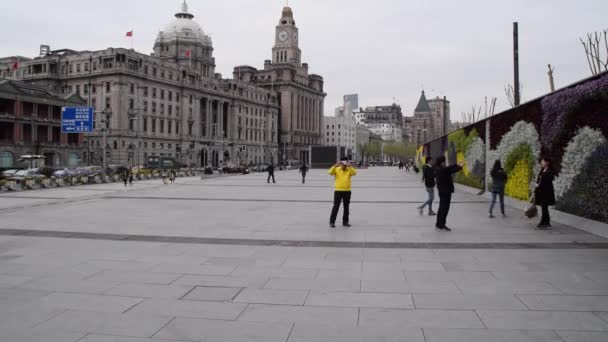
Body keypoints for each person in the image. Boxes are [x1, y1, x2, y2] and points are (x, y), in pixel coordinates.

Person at [434, 156, 464, 231]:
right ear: (442, 162)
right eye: (445, 161)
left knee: (441, 208)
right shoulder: (442, 169)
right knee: (445, 208)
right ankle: (442, 225)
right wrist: (460, 166)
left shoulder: (438, 168)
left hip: (441, 191)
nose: (446, 162)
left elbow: (449, 168)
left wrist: (457, 164)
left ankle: (438, 224)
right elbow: (451, 170)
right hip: (446, 191)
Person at [328, 157, 357, 228]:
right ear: (341, 162)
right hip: (338, 190)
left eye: (346, 162)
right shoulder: (337, 169)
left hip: (347, 191)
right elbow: (330, 172)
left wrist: (350, 166)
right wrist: (335, 165)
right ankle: (332, 222)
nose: (344, 163)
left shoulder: (349, 169)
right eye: (343, 162)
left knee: (346, 207)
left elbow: (355, 173)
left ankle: (345, 222)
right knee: (336, 207)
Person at [534, 157, 555, 229]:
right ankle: (547, 223)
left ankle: (543, 222)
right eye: (541, 161)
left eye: (543, 161)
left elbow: (547, 181)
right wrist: (537, 185)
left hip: (547, 193)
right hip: (541, 193)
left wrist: (539, 184)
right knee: (544, 207)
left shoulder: (549, 171)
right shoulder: (542, 170)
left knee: (544, 207)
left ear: (547, 162)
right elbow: (539, 179)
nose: (541, 163)